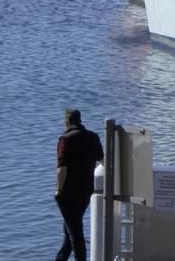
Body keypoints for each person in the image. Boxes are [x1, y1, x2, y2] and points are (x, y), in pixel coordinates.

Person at [55, 108, 104, 261]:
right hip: (86, 190)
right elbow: (102, 159)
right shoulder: (93, 137)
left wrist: (58, 190)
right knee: (70, 227)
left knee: (75, 231)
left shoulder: (65, 139)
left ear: (66, 122)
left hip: (68, 192)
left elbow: (62, 169)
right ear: (80, 120)